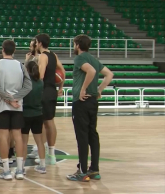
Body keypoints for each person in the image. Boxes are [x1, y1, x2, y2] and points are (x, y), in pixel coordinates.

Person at [67, 35, 113, 182]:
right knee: (92, 134)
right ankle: (94, 169)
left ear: (78, 45)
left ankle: (82, 172)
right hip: (93, 101)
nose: (73, 46)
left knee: (82, 136)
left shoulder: (80, 58)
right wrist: (99, 90)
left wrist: (83, 89)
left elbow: (91, 71)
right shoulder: (93, 58)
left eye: (74, 44)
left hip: (82, 102)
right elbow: (109, 74)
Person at [0, 39, 32, 180]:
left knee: (3, 136)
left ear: (3, 49)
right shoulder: (20, 65)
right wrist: (15, 98)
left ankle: (7, 171)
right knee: (18, 136)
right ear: (14, 51)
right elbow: (28, 86)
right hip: (17, 106)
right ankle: (20, 170)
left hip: (2, 106)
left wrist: (8, 99)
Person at [34, 33, 66, 165]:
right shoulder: (54, 55)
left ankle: (43, 153)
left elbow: (40, 76)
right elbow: (62, 72)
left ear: (40, 43)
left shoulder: (43, 56)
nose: (35, 44)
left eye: (36, 42)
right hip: (52, 90)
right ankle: (51, 154)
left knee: (41, 123)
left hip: (44, 91)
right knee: (50, 122)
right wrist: (60, 88)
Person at [22, 61, 47, 174]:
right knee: (40, 141)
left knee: (23, 142)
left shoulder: (25, 83)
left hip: (25, 114)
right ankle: (42, 165)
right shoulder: (40, 82)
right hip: (38, 114)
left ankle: (21, 166)